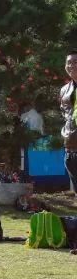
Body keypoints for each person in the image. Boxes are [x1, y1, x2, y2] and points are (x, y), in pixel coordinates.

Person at [62, 52, 77, 194]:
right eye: (69, 62)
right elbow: (66, 115)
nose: (71, 66)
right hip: (71, 148)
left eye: (75, 62)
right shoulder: (64, 91)